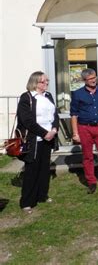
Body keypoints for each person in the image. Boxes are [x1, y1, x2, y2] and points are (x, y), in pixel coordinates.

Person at [17, 71, 59, 214]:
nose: (46, 83)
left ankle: (42, 195)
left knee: (44, 168)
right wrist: (44, 133)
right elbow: (27, 121)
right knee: (31, 170)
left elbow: (55, 115)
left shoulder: (48, 96)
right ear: (35, 82)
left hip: (49, 137)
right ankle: (27, 202)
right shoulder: (26, 97)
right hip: (34, 139)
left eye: (47, 81)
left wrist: (54, 129)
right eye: (43, 81)